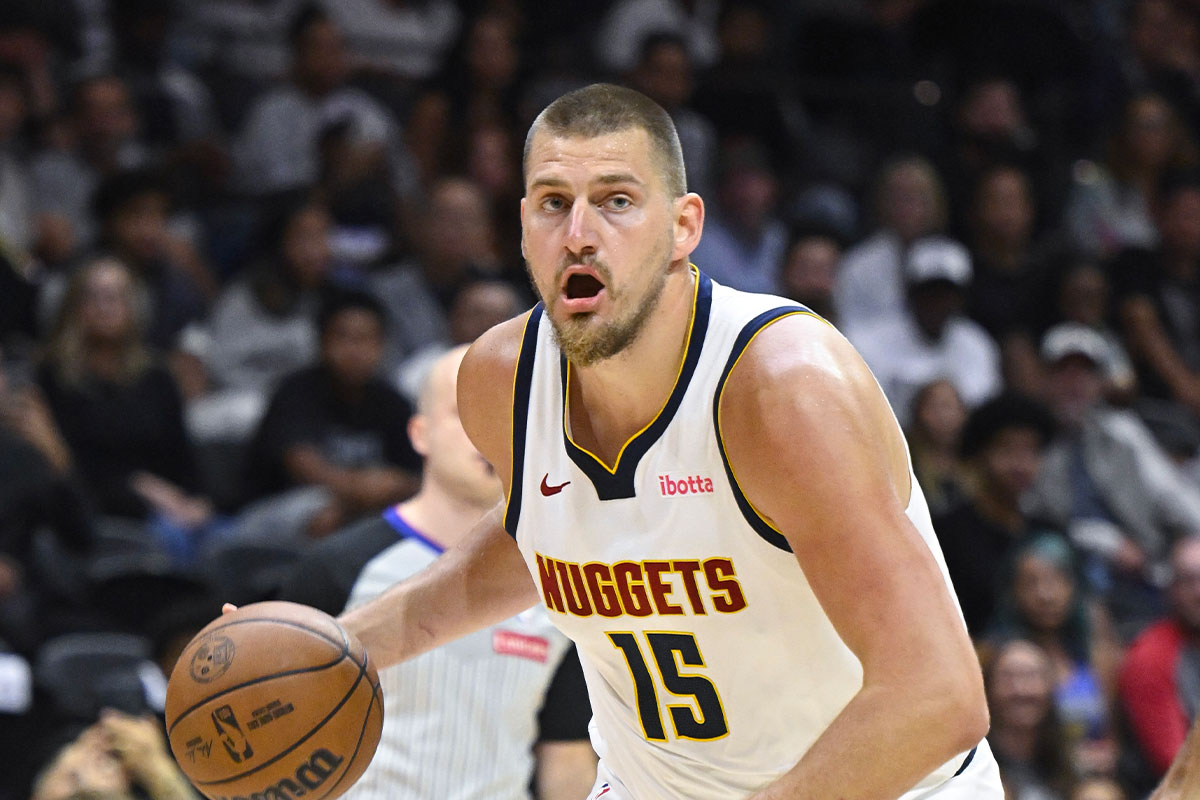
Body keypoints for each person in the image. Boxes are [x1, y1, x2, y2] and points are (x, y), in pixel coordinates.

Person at [233, 83, 1000, 798]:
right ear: (522, 229)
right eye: (553, 204)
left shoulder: (781, 392)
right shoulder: (500, 380)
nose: (579, 235)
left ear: (684, 227)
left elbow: (937, 697)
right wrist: (336, 649)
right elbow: (544, 537)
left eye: (617, 202)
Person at [302, 346, 597, 800]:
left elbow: (567, 755)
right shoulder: (337, 568)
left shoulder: (563, 580)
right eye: (466, 413)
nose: (490, 431)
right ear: (420, 434)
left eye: (510, 412)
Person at [1119, 536, 1200, 785]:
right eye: (1189, 581)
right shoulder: (1150, 657)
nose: (1199, 592)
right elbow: (1176, 764)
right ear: (1172, 590)